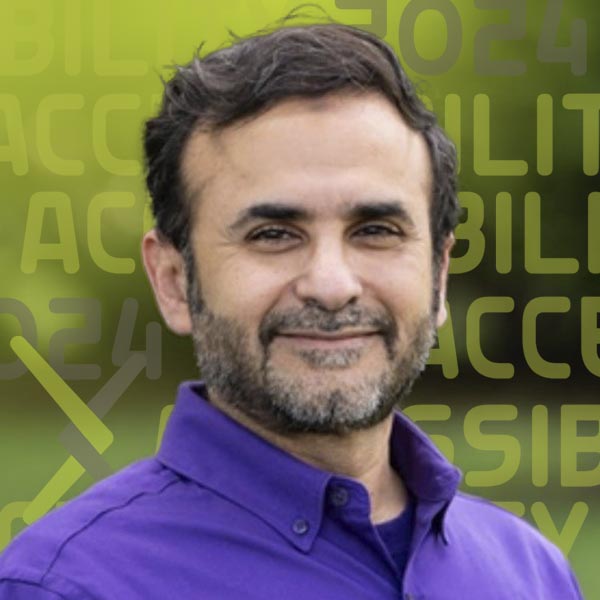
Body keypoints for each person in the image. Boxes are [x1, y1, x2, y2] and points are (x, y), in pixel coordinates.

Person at [0, 19, 583, 600]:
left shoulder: (532, 573)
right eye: (274, 234)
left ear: (438, 274)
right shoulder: (64, 587)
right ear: (175, 282)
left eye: (376, 229)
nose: (331, 285)